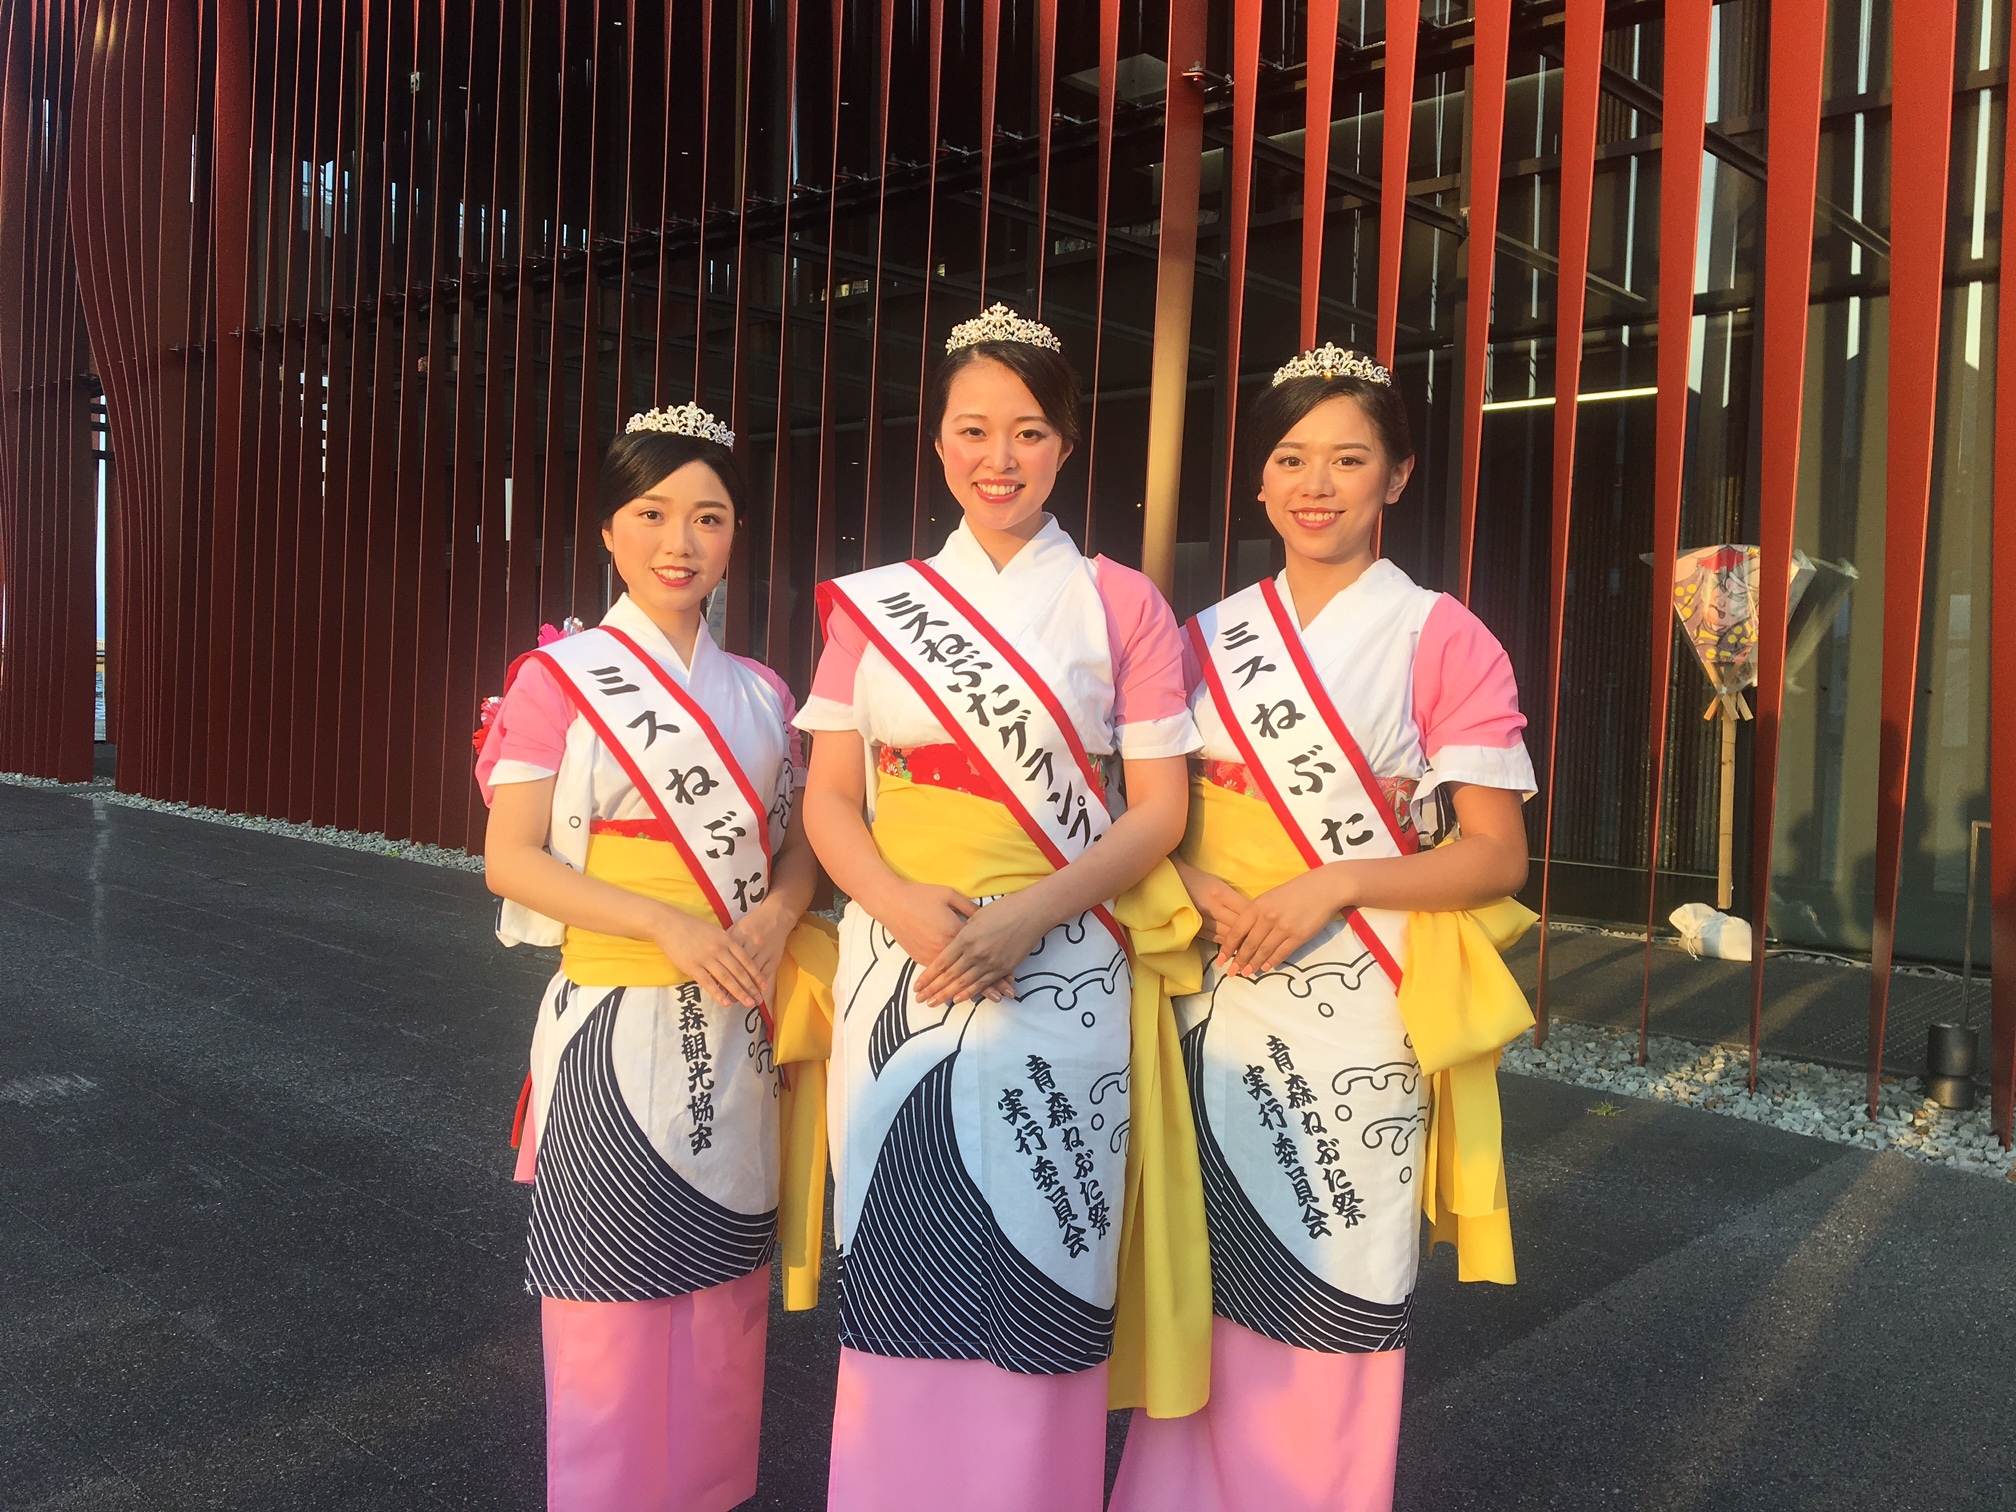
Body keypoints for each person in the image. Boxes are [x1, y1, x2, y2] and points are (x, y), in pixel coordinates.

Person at [1110, 344, 1539, 1512]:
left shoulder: (1442, 636)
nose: (1318, 484)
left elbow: (1496, 852)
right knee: (1201, 1269)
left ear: (1396, 478)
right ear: (1258, 483)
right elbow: (1143, 813)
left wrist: (1339, 882)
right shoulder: (1197, 636)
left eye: (1349, 459)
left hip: (1356, 997)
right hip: (1205, 990)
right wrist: (1193, 888)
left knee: (1332, 1272)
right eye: (1293, 459)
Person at [795, 304, 1208, 1511]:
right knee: (906, 1243)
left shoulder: (1122, 603)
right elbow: (829, 801)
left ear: (1069, 447)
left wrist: (1028, 919)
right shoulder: (873, 610)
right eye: (973, 431)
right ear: (936, 444)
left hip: (1064, 962)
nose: (1000, 459)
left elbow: (1155, 813)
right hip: (901, 961)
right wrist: (900, 906)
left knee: (1049, 1251)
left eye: (1028, 433)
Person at [477, 403, 835, 1512]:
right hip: (615, 1024)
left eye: (710, 517)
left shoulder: (769, 693)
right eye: (653, 513)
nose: (681, 542)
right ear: (608, 530)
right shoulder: (562, 680)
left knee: (722, 1304)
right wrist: (668, 925)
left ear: (735, 535)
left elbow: (795, 851)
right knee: (609, 1311)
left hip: (736, 1023)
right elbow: (511, 860)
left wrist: (776, 917)